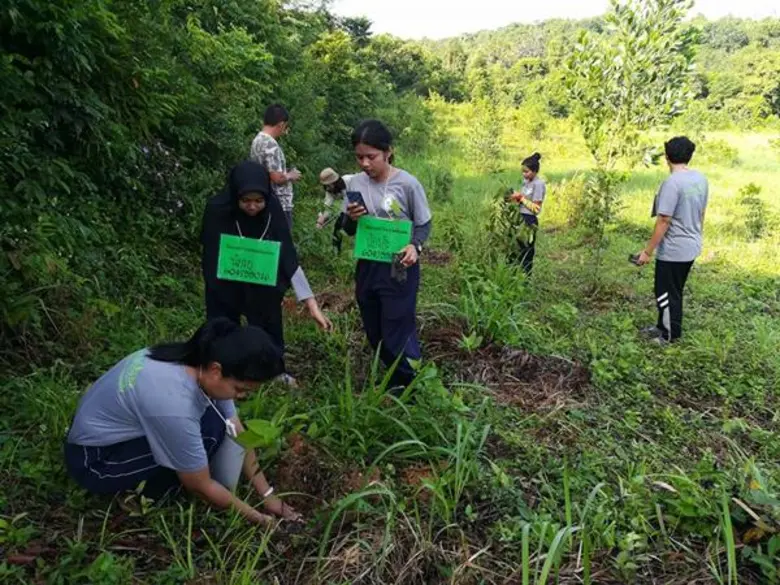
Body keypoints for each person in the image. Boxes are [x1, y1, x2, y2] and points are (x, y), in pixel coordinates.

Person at [65, 318, 302, 525]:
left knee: (214, 425)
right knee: (208, 437)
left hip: (105, 430)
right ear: (216, 370)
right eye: (240, 389)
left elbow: (237, 431)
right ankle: (141, 495)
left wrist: (268, 495)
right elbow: (200, 485)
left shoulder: (195, 358)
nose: (240, 397)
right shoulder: (173, 404)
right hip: (95, 461)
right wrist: (260, 519)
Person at [201, 160, 332, 383]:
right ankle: (222, 371)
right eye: (246, 201)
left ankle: (272, 371)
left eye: (258, 201)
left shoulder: (272, 211)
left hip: (262, 285)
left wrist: (311, 305)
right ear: (235, 195)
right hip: (223, 286)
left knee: (267, 325)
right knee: (222, 327)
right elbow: (209, 252)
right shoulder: (218, 210)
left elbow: (288, 256)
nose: (252, 207)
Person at [343, 120, 432, 393]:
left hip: (398, 265)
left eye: (371, 157)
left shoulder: (407, 184)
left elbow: (424, 223)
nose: (365, 164)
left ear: (388, 152)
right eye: (360, 157)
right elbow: (348, 229)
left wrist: (414, 246)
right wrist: (351, 218)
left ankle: (408, 385)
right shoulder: (354, 183)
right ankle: (392, 374)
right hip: (369, 263)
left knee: (398, 325)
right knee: (374, 324)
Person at [634, 136, 708, 344]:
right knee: (674, 290)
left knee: (665, 292)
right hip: (692, 245)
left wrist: (647, 252)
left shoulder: (672, 183)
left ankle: (669, 335)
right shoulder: (700, 179)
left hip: (675, 249)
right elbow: (702, 212)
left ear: (667, 157)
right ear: (689, 156)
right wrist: (696, 235)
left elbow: (664, 220)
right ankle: (661, 326)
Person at [250, 104, 300, 228]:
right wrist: (290, 175)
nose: (285, 131)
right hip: (278, 204)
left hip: (265, 199)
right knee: (281, 244)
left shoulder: (257, 140)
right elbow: (277, 178)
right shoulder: (270, 144)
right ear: (281, 124)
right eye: (285, 127)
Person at [509, 152, 545, 275]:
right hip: (520, 218)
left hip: (529, 221)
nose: (524, 174)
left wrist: (521, 198)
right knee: (517, 249)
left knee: (527, 251)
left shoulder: (538, 184)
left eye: (527, 171)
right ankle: (516, 276)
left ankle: (526, 278)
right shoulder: (526, 182)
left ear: (535, 171)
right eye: (522, 171)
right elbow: (523, 199)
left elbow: (536, 209)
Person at [318, 167, 355, 252]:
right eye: (326, 185)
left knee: (347, 222)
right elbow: (327, 206)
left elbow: (349, 201)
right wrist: (322, 219)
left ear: (335, 182)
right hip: (350, 207)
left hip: (361, 201)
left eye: (329, 184)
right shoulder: (329, 191)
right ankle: (336, 252)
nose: (328, 187)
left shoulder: (349, 181)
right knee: (338, 227)